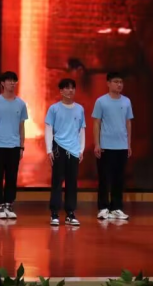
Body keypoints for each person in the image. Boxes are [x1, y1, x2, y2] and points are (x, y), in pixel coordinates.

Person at [0, 71, 28, 220]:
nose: (12, 83)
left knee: (12, 176)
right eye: (9, 80)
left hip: (14, 146)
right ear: (2, 83)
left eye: (14, 80)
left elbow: (21, 127)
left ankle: (9, 204)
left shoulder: (21, 104)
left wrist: (21, 146)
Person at [92, 72, 133, 221]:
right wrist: (97, 144)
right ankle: (103, 208)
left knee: (119, 179)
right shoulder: (101, 101)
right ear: (108, 83)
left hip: (121, 146)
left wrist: (128, 144)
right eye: (116, 82)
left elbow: (128, 123)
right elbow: (96, 123)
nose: (119, 84)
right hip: (105, 146)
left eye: (121, 82)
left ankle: (116, 208)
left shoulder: (126, 101)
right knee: (104, 179)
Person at [45, 78, 85, 227]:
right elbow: (49, 128)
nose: (70, 91)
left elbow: (81, 130)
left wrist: (81, 149)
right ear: (61, 91)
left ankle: (70, 213)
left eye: (72, 88)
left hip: (74, 149)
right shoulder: (54, 109)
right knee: (57, 181)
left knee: (72, 182)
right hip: (59, 147)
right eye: (67, 88)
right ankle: (54, 213)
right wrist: (49, 150)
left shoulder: (79, 109)